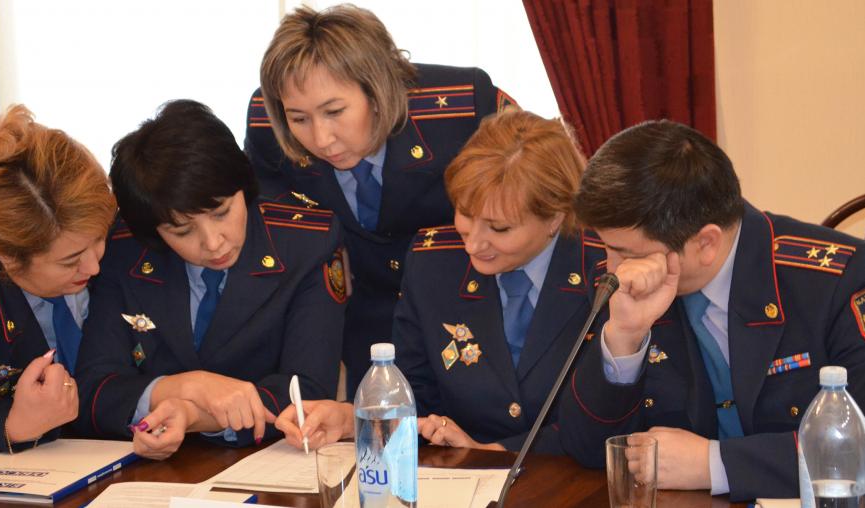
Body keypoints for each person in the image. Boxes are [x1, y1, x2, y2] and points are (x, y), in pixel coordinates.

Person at [556, 120, 865, 501]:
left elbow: (861, 449)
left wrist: (714, 464)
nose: (614, 268)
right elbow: (587, 449)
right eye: (606, 247)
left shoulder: (837, 281)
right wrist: (623, 337)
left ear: (706, 243)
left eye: (628, 254)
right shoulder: (625, 283)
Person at [273, 111, 606, 453]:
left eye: (499, 228)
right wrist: (352, 420)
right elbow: (414, 394)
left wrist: (491, 453)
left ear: (555, 217)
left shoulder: (604, 272)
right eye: (466, 215)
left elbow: (610, 419)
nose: (473, 244)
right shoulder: (434, 263)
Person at [245, 4, 517, 396]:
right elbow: (273, 218)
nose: (321, 139)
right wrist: (320, 249)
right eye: (299, 119)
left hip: (468, 308)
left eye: (334, 111)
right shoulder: (265, 123)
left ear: (376, 91)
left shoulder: (464, 105)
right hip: (363, 323)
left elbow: (535, 194)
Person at [74, 100, 345, 460]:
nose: (213, 243)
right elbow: (92, 391)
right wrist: (185, 386)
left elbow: (307, 391)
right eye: (182, 231)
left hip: (264, 464)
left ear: (244, 185)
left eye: (222, 212)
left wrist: (192, 415)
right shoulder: (124, 249)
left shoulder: (306, 242)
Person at [0, 105, 116, 452]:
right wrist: (14, 425)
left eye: (99, 239)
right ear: (8, 256)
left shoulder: (92, 214)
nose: (93, 267)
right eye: (71, 261)